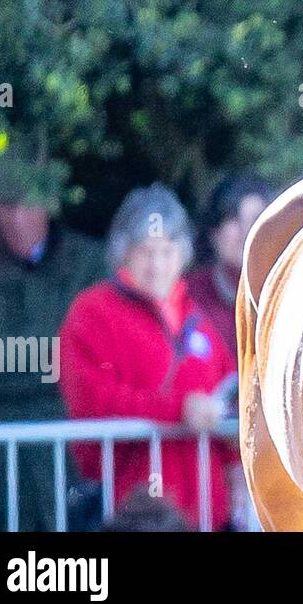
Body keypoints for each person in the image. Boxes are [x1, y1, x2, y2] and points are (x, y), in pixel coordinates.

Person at [59, 184, 237, 530]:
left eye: (167, 251)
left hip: (208, 515)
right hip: (132, 516)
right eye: (144, 251)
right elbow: (92, 401)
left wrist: (236, 459)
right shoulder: (92, 312)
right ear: (123, 253)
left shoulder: (196, 319)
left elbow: (229, 395)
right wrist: (178, 411)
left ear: (183, 254)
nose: (157, 265)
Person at [0, 135, 107, 530]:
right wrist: (57, 346)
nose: (20, 218)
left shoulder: (91, 265)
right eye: (8, 206)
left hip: (77, 465)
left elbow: (104, 357)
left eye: (29, 203)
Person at [184, 173, 274, 366]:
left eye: (256, 219)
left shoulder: (288, 292)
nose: (246, 231)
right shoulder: (186, 294)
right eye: (233, 219)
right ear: (213, 231)